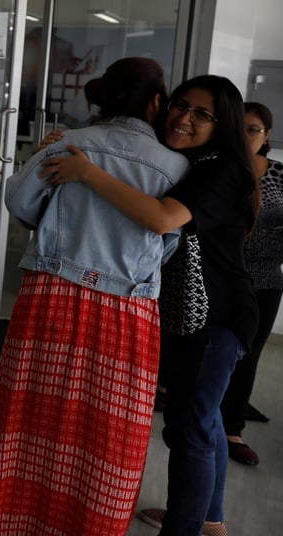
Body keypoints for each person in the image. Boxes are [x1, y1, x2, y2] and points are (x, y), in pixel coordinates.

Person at [0, 58, 189, 536]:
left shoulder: (68, 143)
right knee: (107, 435)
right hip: (130, 309)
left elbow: (19, 200)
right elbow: (168, 241)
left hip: (51, 293)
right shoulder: (178, 166)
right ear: (156, 101)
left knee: (24, 415)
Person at [42, 74, 259, 536]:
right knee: (205, 419)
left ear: (224, 125)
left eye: (202, 115)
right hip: (193, 315)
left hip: (216, 318)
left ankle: (186, 526)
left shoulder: (221, 169)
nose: (183, 118)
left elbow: (162, 219)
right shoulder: (191, 161)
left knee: (189, 428)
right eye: (180, 105)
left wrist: (87, 172)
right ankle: (207, 518)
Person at [220, 101, 280, 467]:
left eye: (253, 129)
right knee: (213, 352)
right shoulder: (214, 170)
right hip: (220, 277)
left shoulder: (280, 175)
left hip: (265, 279)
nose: (245, 136)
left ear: (267, 134)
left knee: (249, 355)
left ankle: (232, 428)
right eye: (238, 128)